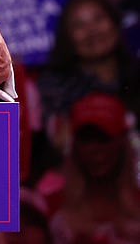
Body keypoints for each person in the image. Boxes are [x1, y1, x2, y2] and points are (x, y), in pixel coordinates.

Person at [48, 93, 140, 244]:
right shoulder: (50, 205)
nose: (94, 149)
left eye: (103, 138)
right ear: (75, 145)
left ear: (122, 143)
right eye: (86, 138)